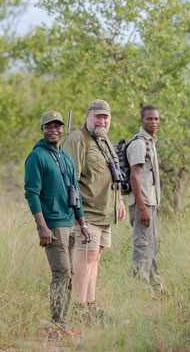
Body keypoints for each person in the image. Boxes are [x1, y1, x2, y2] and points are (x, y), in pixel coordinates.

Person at [24, 110, 90, 337]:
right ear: (42, 130)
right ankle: (54, 324)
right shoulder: (37, 157)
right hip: (52, 225)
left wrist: (82, 223)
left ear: (62, 129)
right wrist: (41, 226)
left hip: (69, 222)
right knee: (61, 271)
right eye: (48, 126)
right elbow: (32, 193)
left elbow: (76, 193)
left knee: (69, 273)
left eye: (57, 126)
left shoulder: (66, 157)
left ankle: (63, 322)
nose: (53, 130)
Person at [63, 99, 126, 319]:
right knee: (86, 259)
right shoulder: (77, 140)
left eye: (105, 116)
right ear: (88, 115)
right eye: (97, 116)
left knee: (95, 258)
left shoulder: (104, 140)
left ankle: (91, 304)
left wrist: (118, 201)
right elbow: (70, 180)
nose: (102, 120)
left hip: (105, 212)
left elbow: (111, 173)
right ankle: (79, 309)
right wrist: (78, 217)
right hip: (87, 213)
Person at [126, 105, 163, 291]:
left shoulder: (151, 142)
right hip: (142, 204)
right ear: (142, 121)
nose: (153, 122)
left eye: (156, 119)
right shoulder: (140, 143)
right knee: (142, 245)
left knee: (152, 246)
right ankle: (139, 288)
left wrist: (155, 204)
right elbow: (134, 176)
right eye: (149, 119)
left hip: (150, 203)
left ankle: (156, 286)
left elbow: (150, 177)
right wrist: (142, 208)